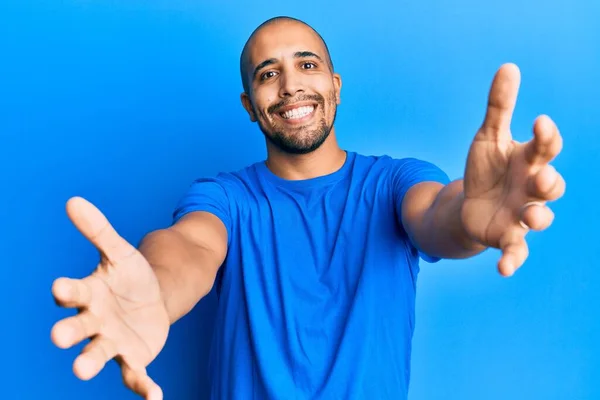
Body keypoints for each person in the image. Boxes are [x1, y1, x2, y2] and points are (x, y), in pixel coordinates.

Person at [50, 16, 566, 400]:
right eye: (267, 73)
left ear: (334, 88)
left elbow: (437, 216)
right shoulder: (225, 199)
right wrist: (155, 293)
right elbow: (188, 247)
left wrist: (469, 219)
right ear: (250, 106)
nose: (291, 83)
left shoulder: (393, 182)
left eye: (308, 65)